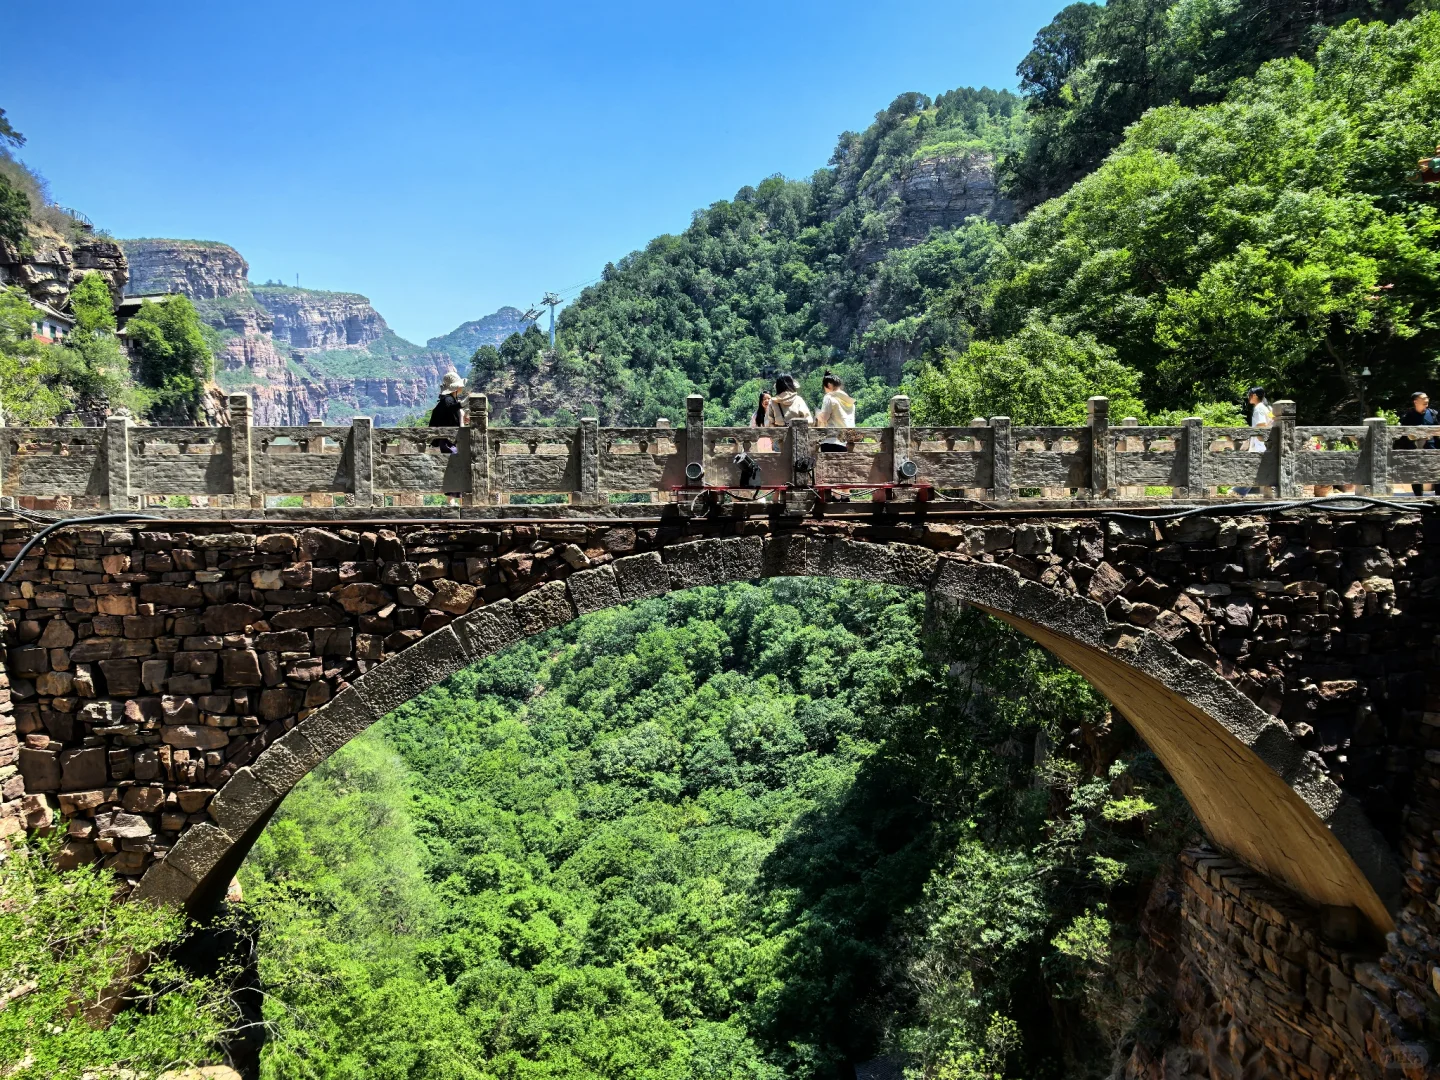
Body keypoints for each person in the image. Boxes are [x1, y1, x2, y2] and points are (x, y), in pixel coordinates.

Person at [1234, 387, 1273, 496]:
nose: (1248, 397)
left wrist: (1257, 438)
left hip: (1259, 444)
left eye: (1249, 394)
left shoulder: (1259, 408)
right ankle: (1240, 491)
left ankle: (1238, 491)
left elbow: (1261, 425)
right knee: (1255, 468)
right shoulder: (1265, 407)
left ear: (1255, 395)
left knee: (1252, 468)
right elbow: (1271, 420)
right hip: (1261, 443)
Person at [1399, 391, 1439, 497]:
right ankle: (1419, 497)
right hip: (1415, 449)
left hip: (1432, 448)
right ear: (1415, 401)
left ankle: (1438, 498)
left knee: (1436, 472)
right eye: (1423, 398)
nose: (1426, 400)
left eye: (1427, 398)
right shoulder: (1408, 416)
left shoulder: (1433, 414)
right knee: (1416, 473)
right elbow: (1403, 434)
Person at [815, 371, 856, 453]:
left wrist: (817, 413)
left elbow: (824, 418)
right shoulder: (849, 401)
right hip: (845, 442)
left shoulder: (829, 397)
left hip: (831, 441)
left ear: (829, 385)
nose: (825, 391)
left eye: (824, 388)